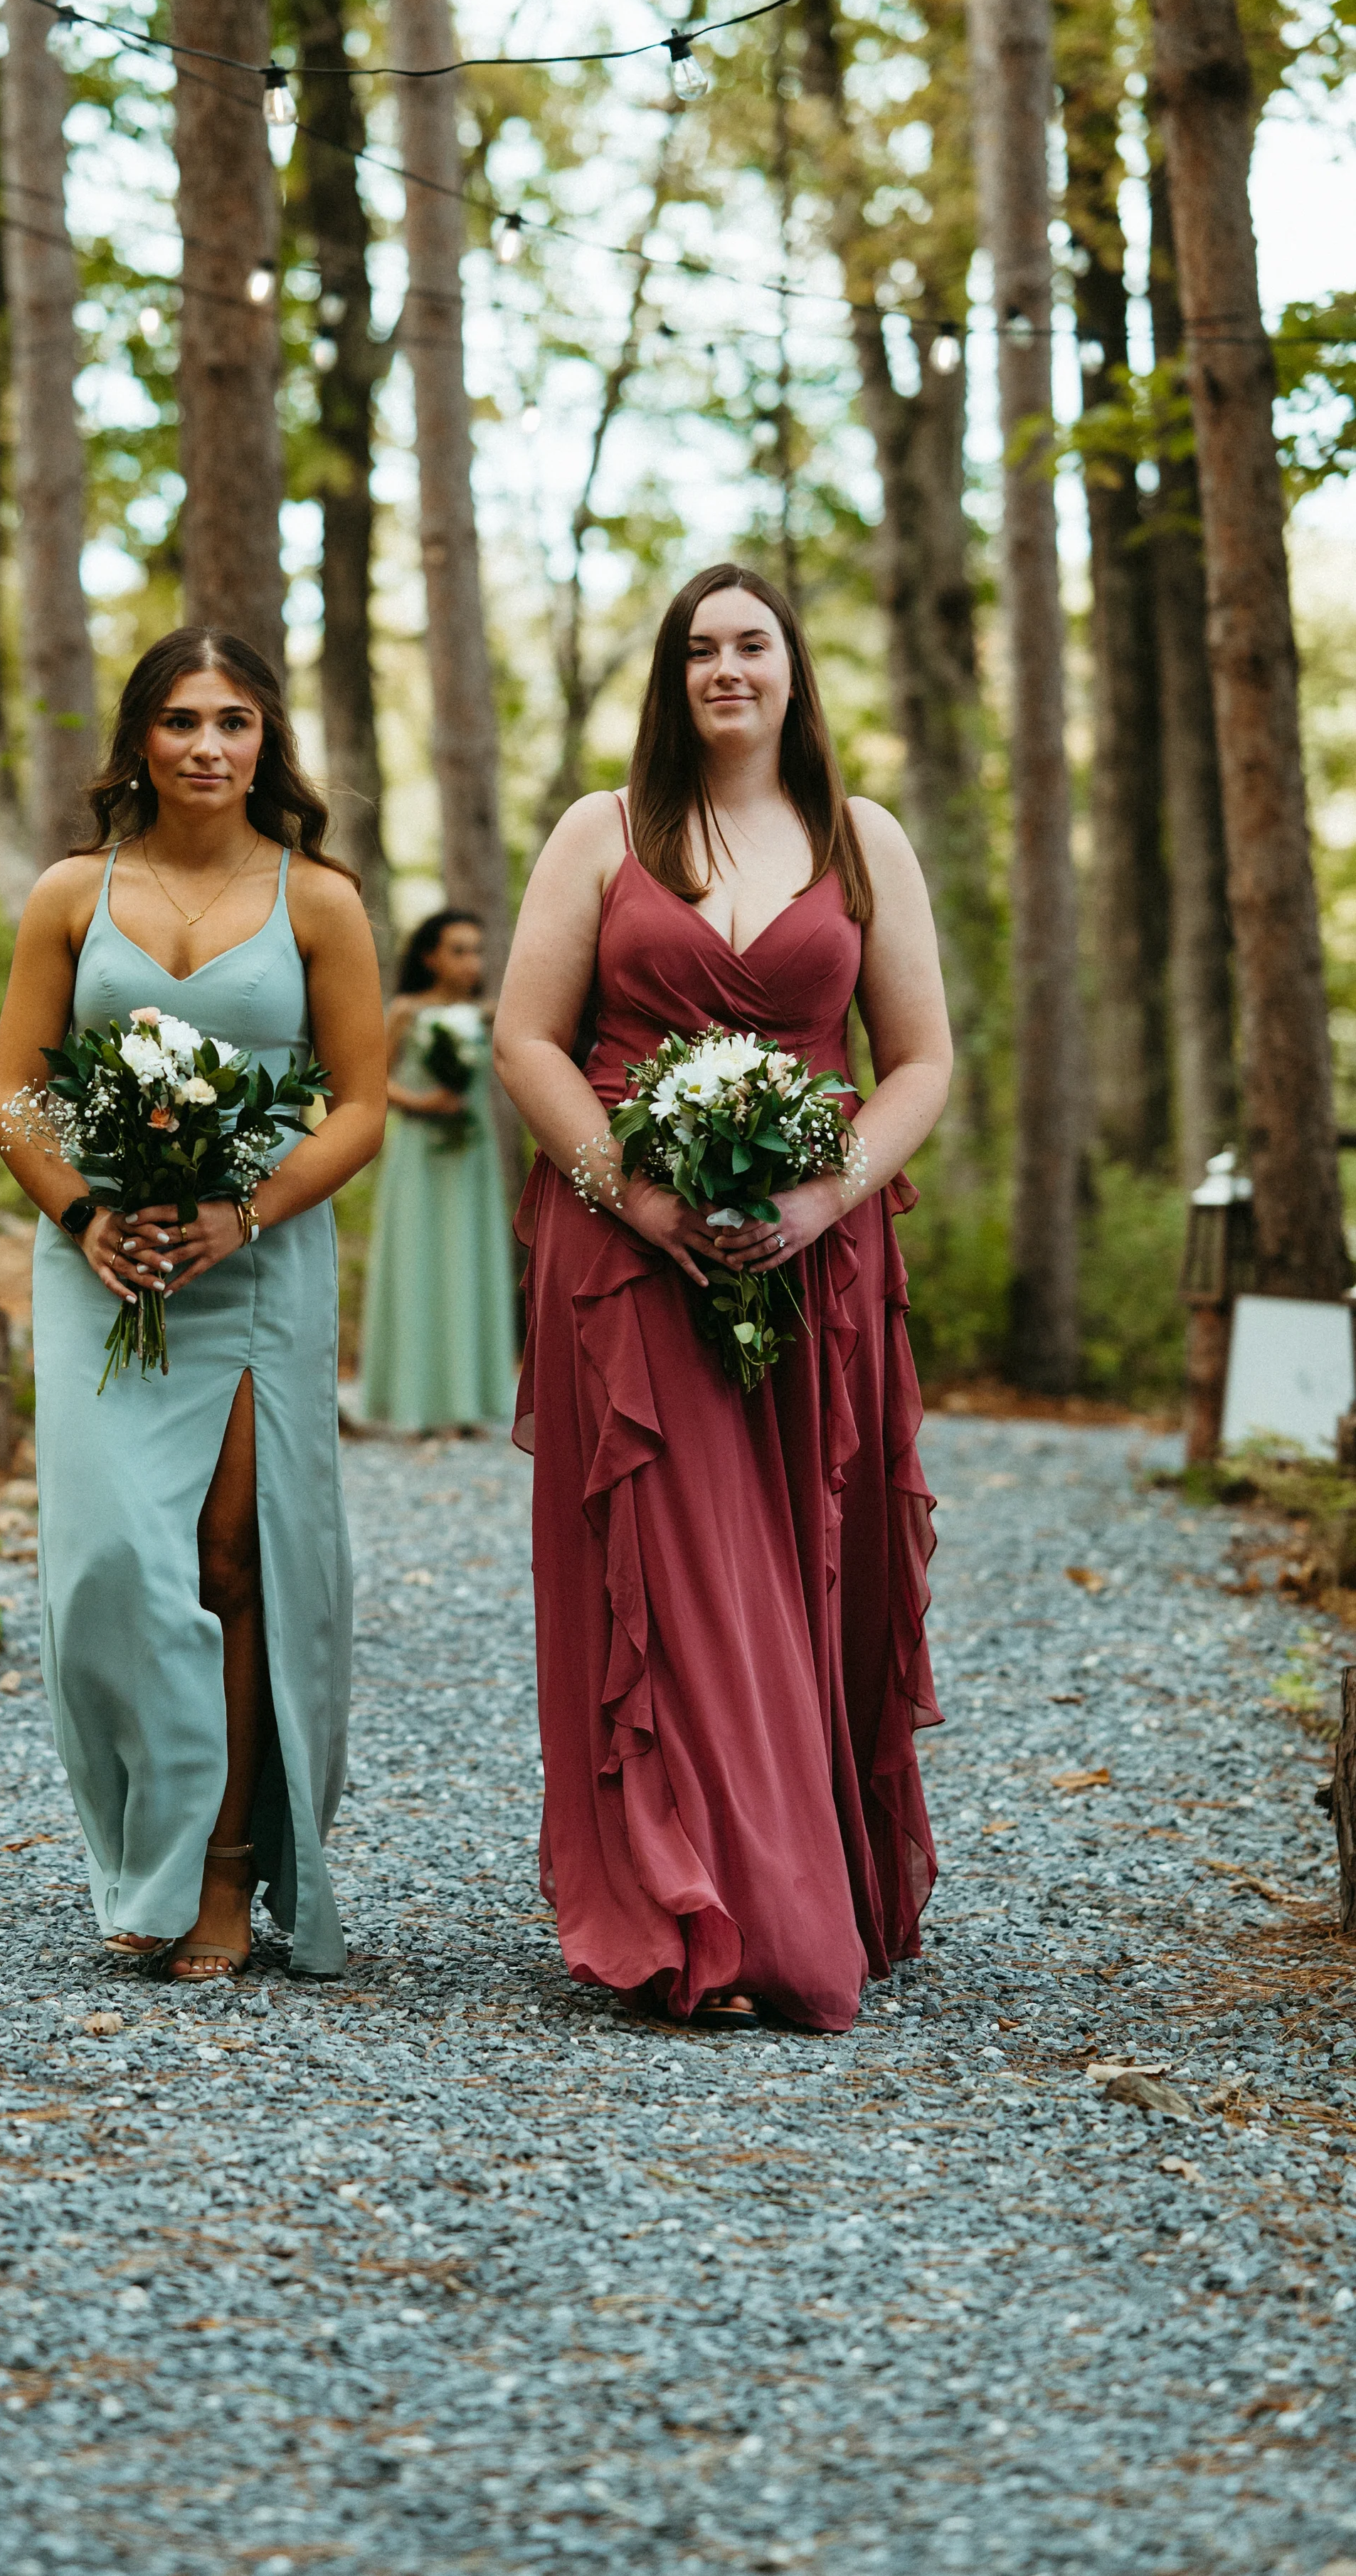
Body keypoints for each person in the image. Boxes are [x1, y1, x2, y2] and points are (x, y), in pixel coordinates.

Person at [493, 564, 951, 2033]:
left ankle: (787, 1876)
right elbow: (523, 1038)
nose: (726, 668)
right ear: (671, 676)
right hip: (628, 1254)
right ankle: (705, 1914)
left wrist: (822, 1199)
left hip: (818, 1257)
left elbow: (921, 1061)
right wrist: (633, 1192)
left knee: (809, 1562)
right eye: (699, 647)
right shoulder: (602, 831)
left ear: (793, 667)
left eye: (750, 643)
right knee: (692, 1579)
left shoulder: (859, 840)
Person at [0, 628, 385, 1983]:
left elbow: (363, 1105)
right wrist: (84, 1213)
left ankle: (217, 1874)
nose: (208, 745)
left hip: (254, 1265)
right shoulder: (68, 894)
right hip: (101, 1263)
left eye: (234, 720)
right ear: (139, 743)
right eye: (179, 720)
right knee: (111, 1569)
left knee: (227, 1565)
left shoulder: (320, 901)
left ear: (266, 741)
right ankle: (137, 1842)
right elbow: (16, 1093)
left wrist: (246, 1208)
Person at [358, 909, 517, 1433]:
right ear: (430, 956)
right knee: (421, 1264)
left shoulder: (490, 1014)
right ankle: (417, 1401)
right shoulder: (406, 1010)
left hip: (472, 1153)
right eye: (459, 949)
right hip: (421, 1153)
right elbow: (372, 1082)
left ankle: (469, 1402)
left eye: (477, 950)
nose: (472, 961)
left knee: (468, 1263)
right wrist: (424, 1102)